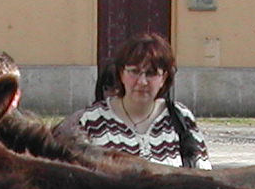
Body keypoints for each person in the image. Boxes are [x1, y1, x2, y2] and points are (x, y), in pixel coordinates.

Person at [57, 32, 209, 168]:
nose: (142, 81)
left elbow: (204, 177)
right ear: (121, 74)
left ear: (164, 78)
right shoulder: (91, 121)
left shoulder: (180, 118)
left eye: (151, 73)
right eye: (134, 71)